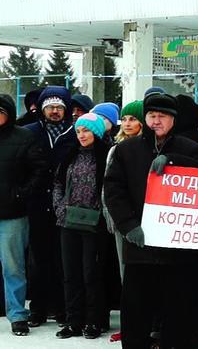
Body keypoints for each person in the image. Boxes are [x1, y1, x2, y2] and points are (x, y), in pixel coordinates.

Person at [104, 92, 198, 348]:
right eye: (152, 115)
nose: (156, 121)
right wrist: (129, 226)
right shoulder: (126, 150)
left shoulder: (191, 148)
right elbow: (113, 191)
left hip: (178, 251)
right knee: (136, 315)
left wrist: (174, 161)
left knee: (180, 315)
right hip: (140, 249)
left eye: (162, 116)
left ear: (174, 119)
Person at [24, 86, 78, 328]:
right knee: (38, 260)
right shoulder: (30, 133)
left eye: (59, 107)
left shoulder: (75, 132)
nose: (55, 111)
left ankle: (62, 308)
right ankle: (38, 308)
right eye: (50, 107)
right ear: (42, 109)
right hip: (37, 204)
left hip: (67, 206)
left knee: (64, 260)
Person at [52, 113, 110, 339]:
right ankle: (73, 321)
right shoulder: (70, 155)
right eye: (78, 131)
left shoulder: (106, 157)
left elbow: (110, 187)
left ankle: (93, 321)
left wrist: (101, 212)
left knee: (91, 273)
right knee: (71, 273)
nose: (82, 135)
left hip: (94, 224)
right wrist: (59, 207)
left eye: (86, 131)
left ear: (95, 132)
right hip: (68, 221)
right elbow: (57, 182)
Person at [0, 94, 46, 336]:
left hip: (12, 214)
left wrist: (21, 194)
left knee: (13, 266)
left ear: (7, 114)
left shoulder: (24, 137)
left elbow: (39, 170)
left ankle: (18, 315)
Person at [101, 100, 144, 342]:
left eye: (133, 119)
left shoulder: (150, 147)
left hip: (143, 222)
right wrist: (111, 217)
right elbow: (108, 188)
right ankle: (129, 325)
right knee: (124, 274)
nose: (128, 123)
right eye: (125, 119)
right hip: (121, 222)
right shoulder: (115, 149)